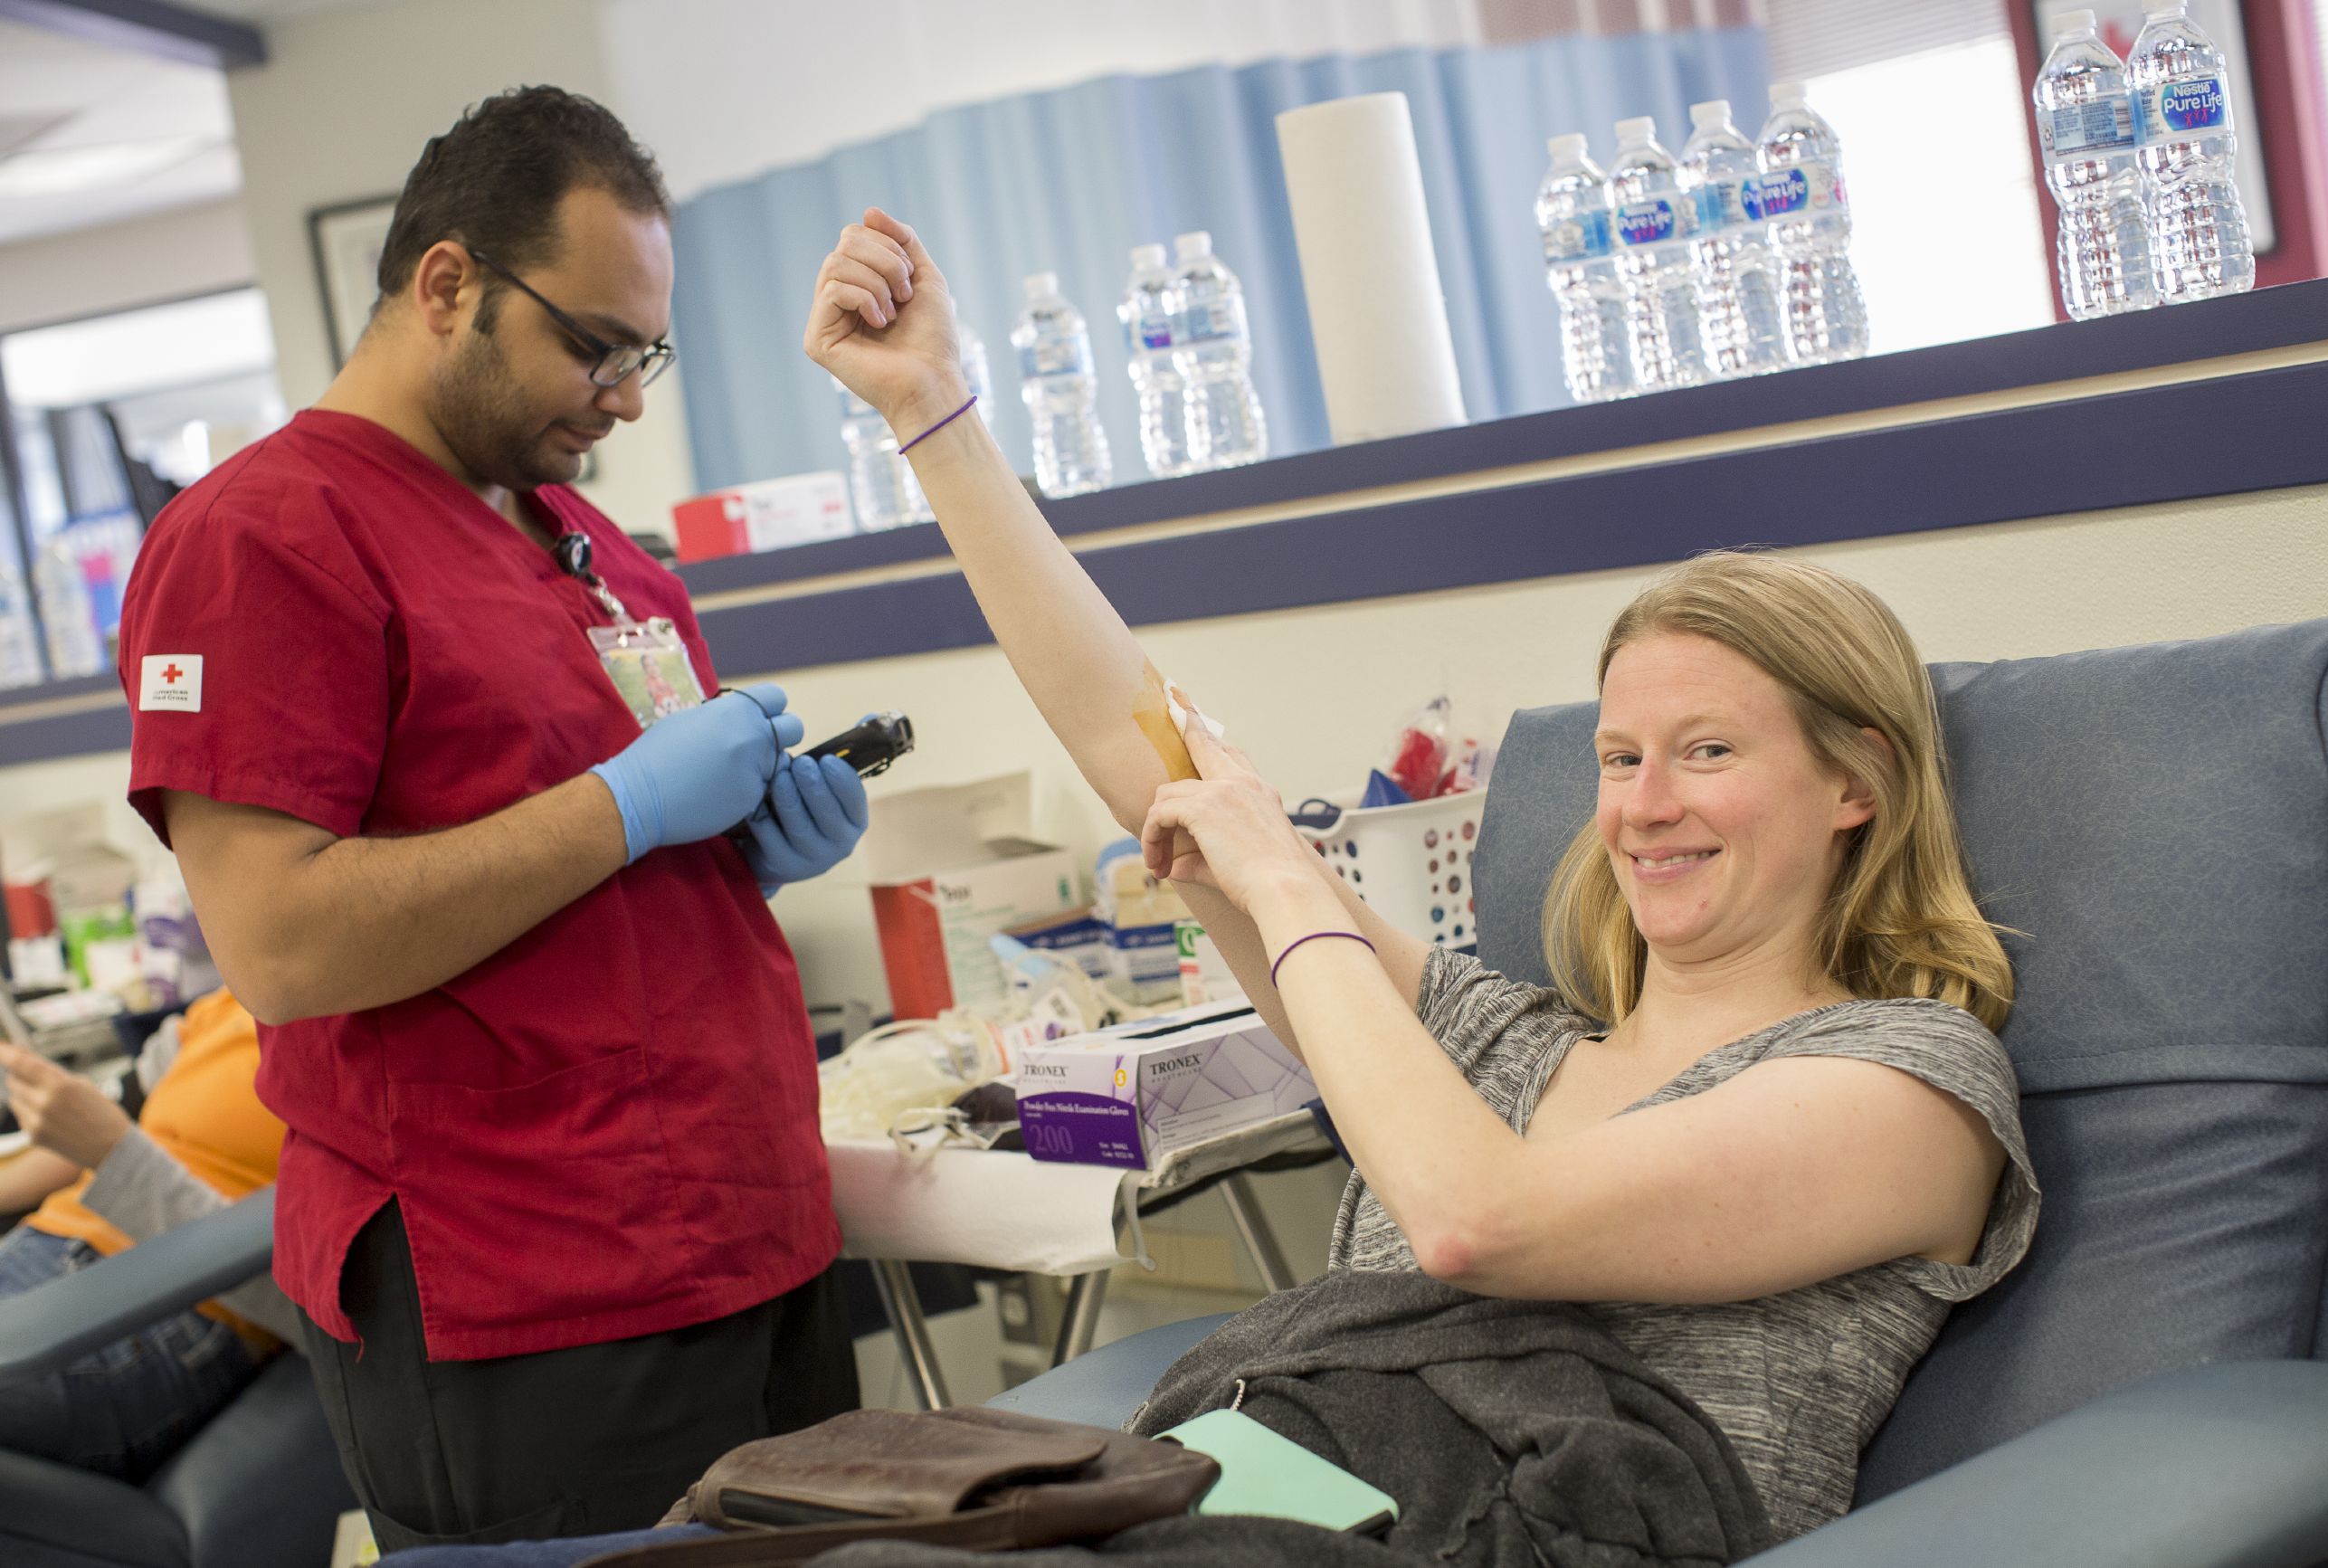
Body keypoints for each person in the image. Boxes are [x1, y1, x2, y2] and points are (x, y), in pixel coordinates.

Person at [804, 210, 2039, 1544]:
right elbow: (1143, 753)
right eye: (1620, 757)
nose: (1645, 807)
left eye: (1710, 751)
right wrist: (934, 409)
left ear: (1857, 780)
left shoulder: (1913, 1084)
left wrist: (1291, 891)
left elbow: (1474, 1222)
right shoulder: (1496, 1043)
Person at [113, 88, 870, 1550]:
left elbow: (574, 894)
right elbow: (280, 941)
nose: (627, 396)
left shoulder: (597, 552)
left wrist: (740, 859)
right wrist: (626, 804)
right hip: (523, 1278)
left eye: (644, 352)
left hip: (744, 1224)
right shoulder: (260, 536)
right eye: (592, 345)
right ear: (447, 283)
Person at [0, 990, 299, 1479]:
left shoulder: (374, 1047)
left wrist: (115, 1155)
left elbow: (320, 1309)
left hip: (177, 1307)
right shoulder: (231, 999)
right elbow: (85, 1131)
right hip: (46, 1242)